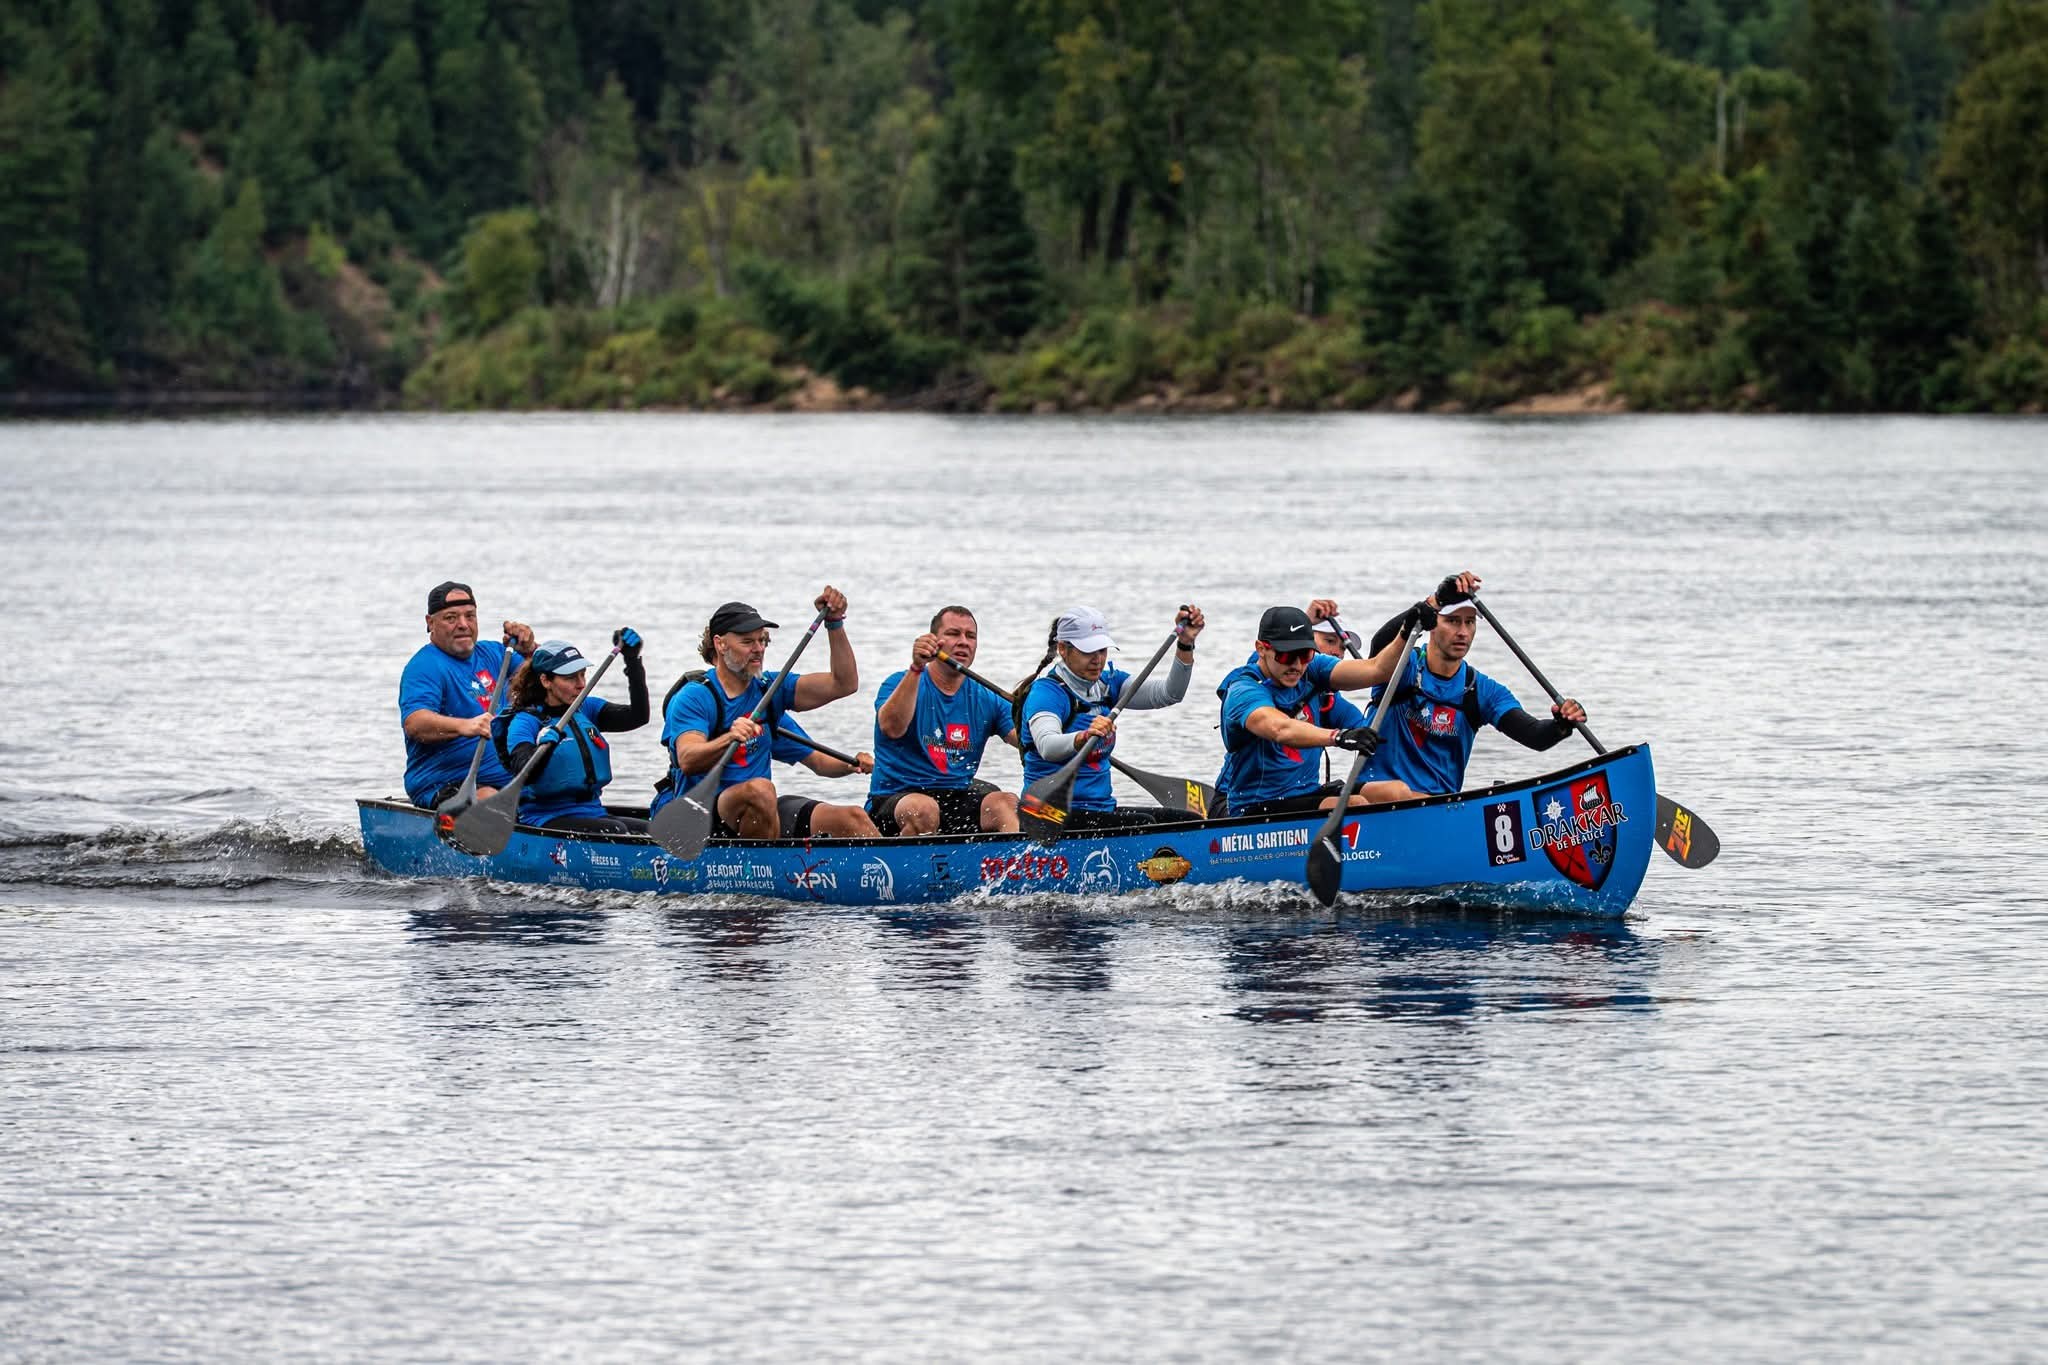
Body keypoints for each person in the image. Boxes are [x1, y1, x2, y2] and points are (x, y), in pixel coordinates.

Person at [651, 589, 860, 839]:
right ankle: (765, 871)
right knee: (760, 791)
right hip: (697, 817)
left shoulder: (769, 693)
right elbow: (688, 759)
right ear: (720, 644)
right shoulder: (694, 697)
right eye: (747, 642)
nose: (758, 649)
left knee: (853, 818)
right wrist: (729, 737)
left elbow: (843, 684)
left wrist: (834, 623)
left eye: (762, 641)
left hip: (758, 811)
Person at [1361, 577, 1587, 796]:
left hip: (1439, 809)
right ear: (1431, 625)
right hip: (1373, 802)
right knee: (1397, 793)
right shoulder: (1404, 666)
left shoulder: (1482, 691)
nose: (1463, 632)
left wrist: (1562, 725)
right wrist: (1434, 601)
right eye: (1452, 621)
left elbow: (1535, 736)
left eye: (1469, 622)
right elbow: (1378, 646)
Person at [1213, 599, 1438, 818]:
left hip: (1306, 793)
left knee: (1397, 792)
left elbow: (1376, 670)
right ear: (1261, 649)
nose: (1297, 665)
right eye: (1286, 656)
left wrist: (1406, 631)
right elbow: (1279, 729)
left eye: (1305, 655)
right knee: (1356, 805)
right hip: (1256, 807)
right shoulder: (1243, 689)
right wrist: (1339, 737)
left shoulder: (1313, 669)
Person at [1013, 604, 1205, 830]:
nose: (1097, 659)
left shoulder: (1108, 683)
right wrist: (1082, 737)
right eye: (1088, 651)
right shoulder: (1047, 693)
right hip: (1049, 813)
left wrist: (1185, 643)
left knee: (1189, 822)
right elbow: (1047, 745)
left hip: (1099, 809)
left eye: (1102, 650)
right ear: (1063, 649)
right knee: (1143, 825)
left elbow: (1169, 694)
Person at [867, 606, 1020, 836]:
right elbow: (891, 728)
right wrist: (917, 667)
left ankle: (1009, 867)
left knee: (1007, 804)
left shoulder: (987, 697)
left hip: (956, 794)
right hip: (897, 796)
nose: (963, 642)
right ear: (934, 641)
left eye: (970, 636)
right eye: (953, 634)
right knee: (924, 810)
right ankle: (912, 870)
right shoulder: (898, 683)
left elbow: (1028, 741)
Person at [399, 580, 536, 809]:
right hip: (448, 783)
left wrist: (530, 649)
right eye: (451, 618)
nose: (463, 624)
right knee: (487, 797)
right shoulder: (425, 666)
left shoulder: (496, 654)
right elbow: (415, 723)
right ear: (430, 622)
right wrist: (465, 726)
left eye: (469, 616)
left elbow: (545, 682)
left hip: (509, 782)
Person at [500, 632, 651, 834]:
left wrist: (632, 662)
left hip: (593, 812)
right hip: (544, 817)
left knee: (657, 831)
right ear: (546, 680)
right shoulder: (525, 722)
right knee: (615, 829)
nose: (581, 684)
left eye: (582, 674)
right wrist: (543, 749)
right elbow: (523, 773)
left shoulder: (587, 708)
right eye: (571, 677)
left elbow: (638, 716)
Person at [769, 714, 881, 838]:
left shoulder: (769, 713)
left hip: (768, 809)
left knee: (855, 819)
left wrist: (851, 763)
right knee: (761, 790)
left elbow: (819, 761)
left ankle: (887, 857)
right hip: (752, 806)